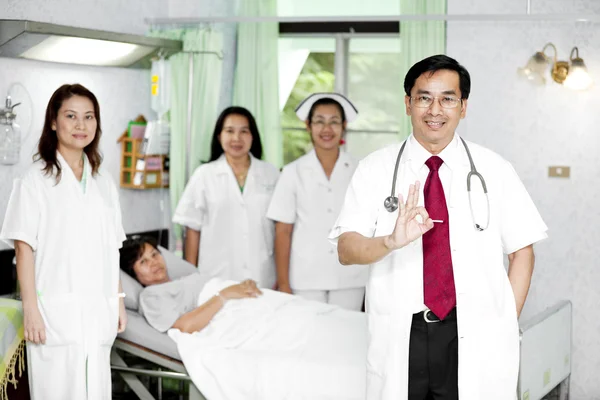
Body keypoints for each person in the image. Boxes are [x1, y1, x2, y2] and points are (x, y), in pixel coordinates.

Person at [329, 55, 548, 400]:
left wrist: (504, 320)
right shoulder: (374, 169)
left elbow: (523, 251)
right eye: (424, 97)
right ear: (407, 103)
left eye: (447, 98)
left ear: (463, 107)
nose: (435, 109)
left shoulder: (495, 169)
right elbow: (346, 248)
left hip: (472, 328)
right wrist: (389, 240)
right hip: (404, 331)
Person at [0, 84, 127, 400]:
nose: (81, 125)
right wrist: (30, 308)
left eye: (89, 117)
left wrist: (119, 299)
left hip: (98, 311)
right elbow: (23, 248)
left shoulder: (104, 181)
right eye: (71, 116)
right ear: (54, 122)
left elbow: (113, 247)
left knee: (96, 391)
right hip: (55, 312)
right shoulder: (35, 180)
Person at [267, 93, 368, 310]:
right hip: (306, 276)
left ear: (344, 126)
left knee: (346, 336)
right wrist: (283, 282)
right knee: (309, 339)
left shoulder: (361, 170)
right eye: (319, 122)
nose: (327, 129)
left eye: (334, 122)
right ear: (308, 125)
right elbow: (282, 231)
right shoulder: (293, 172)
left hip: (350, 274)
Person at [173, 106, 279, 288]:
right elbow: (192, 230)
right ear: (219, 136)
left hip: (263, 274)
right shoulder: (204, 175)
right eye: (229, 131)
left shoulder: (271, 174)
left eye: (244, 131)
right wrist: (191, 280)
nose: (236, 138)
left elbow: (281, 229)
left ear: (253, 136)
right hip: (217, 275)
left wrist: (281, 277)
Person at [119, 237, 262, 333]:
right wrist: (224, 295)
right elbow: (185, 326)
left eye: (155, 254)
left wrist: (243, 286)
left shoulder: (184, 279)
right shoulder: (151, 296)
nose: (154, 262)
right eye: (143, 262)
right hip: (231, 310)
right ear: (133, 273)